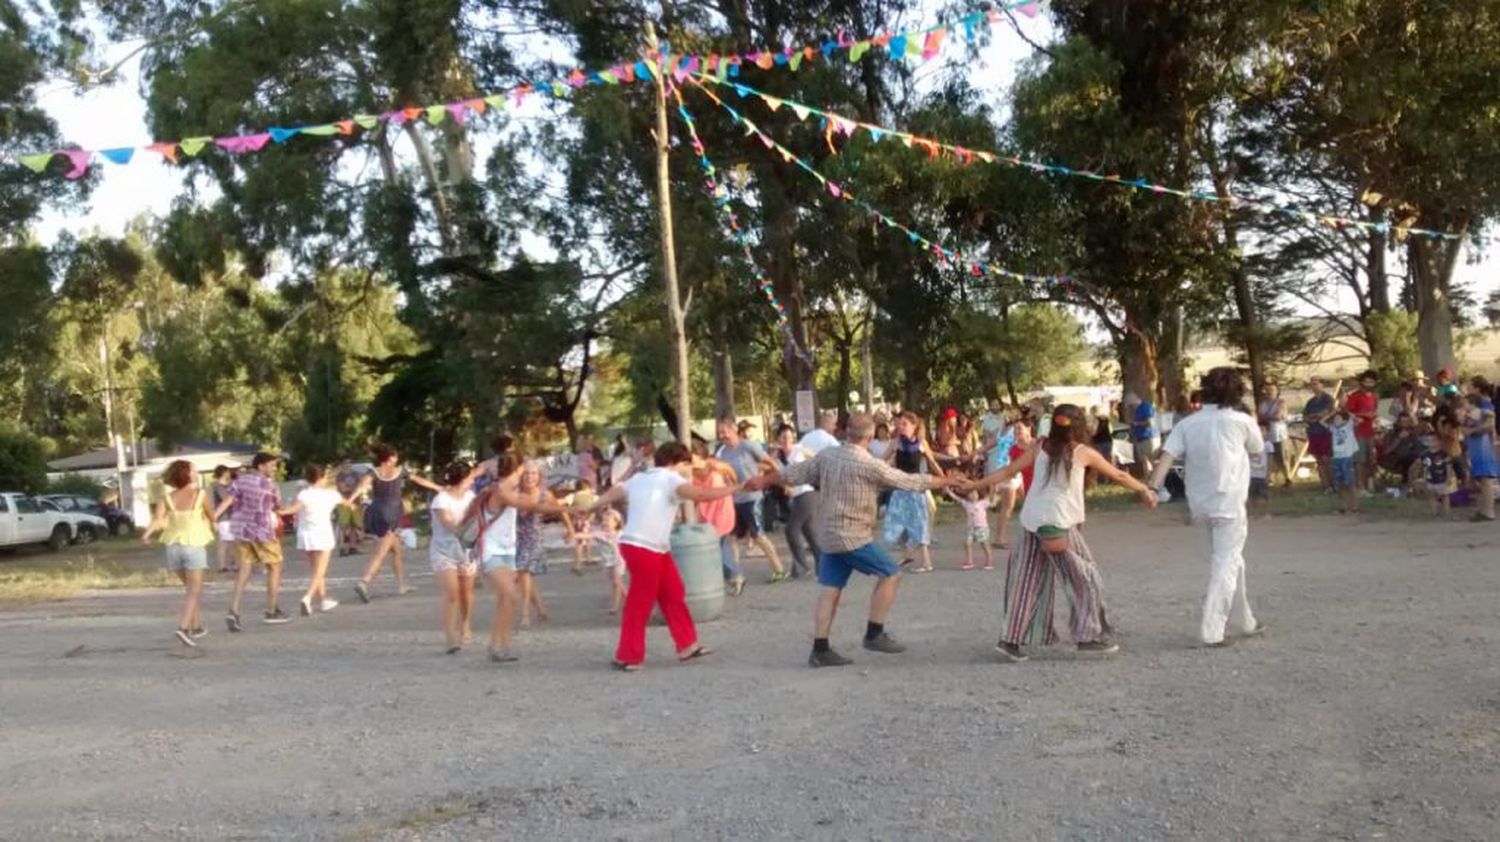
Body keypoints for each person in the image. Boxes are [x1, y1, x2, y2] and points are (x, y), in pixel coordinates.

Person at [747, 413, 956, 668]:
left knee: (830, 592)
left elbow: (792, 474)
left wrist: (762, 480)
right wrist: (946, 480)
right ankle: (874, 633)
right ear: (869, 437)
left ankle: (820, 649)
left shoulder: (827, 456)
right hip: (853, 537)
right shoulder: (869, 464)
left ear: (846, 433)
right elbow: (909, 480)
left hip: (829, 536)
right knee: (891, 573)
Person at [975, 406, 1154, 662]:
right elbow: (1116, 474)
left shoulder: (1038, 448)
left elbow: (1007, 471)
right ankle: (1088, 636)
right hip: (1059, 525)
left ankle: (1009, 640)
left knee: (1025, 582)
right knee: (1084, 579)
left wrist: (975, 483)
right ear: (1080, 426)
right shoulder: (1082, 452)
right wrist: (1144, 489)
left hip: (1032, 521)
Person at [577, 442, 731, 671]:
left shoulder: (641, 478)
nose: (687, 469)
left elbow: (617, 490)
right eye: (685, 464)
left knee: (673, 591)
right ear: (675, 462)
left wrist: (594, 505)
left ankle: (687, 644)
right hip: (645, 546)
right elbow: (700, 494)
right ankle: (628, 655)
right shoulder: (672, 480)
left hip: (650, 546)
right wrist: (733, 490)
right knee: (641, 601)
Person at [1147, 368, 1266, 648]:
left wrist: (1153, 488)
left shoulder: (1188, 424)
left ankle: (1245, 620)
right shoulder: (1240, 420)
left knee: (1232, 558)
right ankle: (1212, 630)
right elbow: (1257, 448)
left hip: (1199, 501)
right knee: (1225, 561)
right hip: (1230, 501)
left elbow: (1167, 456)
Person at [467, 453, 569, 663]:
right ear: (517, 470)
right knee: (512, 595)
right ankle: (497, 646)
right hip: (491, 550)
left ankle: (499, 645)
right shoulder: (502, 491)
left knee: (505, 599)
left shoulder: (505, 489)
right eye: (522, 469)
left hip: (507, 550)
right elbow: (531, 505)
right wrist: (568, 508)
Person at [351, 445, 443, 603]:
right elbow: (418, 480)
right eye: (393, 458)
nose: (396, 460)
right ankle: (364, 582)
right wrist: (437, 487)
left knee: (397, 550)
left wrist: (351, 499)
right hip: (391, 514)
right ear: (387, 460)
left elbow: (362, 486)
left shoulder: (374, 472)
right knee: (381, 552)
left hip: (378, 512)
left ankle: (401, 585)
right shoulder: (396, 471)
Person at [141, 459, 215, 647]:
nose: (196, 472)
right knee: (194, 590)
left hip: (173, 547)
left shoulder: (166, 498)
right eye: (194, 470)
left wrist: (147, 535)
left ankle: (196, 626)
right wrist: (215, 525)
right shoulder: (200, 495)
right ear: (187, 474)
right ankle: (182, 628)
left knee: (190, 590)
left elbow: (158, 520)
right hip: (194, 545)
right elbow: (212, 516)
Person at [213, 452, 288, 631]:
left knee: (244, 569)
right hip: (262, 529)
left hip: (240, 529)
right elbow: (278, 506)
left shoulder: (240, 480)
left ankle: (234, 610)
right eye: (271, 465)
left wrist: (213, 517)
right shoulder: (270, 485)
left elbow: (229, 501)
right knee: (275, 566)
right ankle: (271, 610)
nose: (274, 468)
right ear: (260, 466)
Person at [714, 418, 787, 582]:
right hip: (734, 498)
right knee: (732, 537)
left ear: (733, 430)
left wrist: (781, 479)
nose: (721, 436)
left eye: (724, 432)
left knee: (758, 535)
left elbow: (769, 461)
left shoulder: (748, 446)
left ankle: (779, 569)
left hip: (752, 497)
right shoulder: (723, 452)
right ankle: (736, 572)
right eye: (719, 433)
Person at [278, 464, 348, 618]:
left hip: (306, 534)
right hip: (323, 534)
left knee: (316, 570)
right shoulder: (331, 494)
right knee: (320, 570)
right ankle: (308, 597)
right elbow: (348, 503)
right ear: (322, 478)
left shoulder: (304, 494)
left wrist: (281, 510)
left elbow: (294, 509)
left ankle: (323, 599)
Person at [883, 411, 946, 573]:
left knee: (919, 523)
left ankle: (926, 562)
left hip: (916, 489)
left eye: (904, 424)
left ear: (914, 426)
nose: (900, 426)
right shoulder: (895, 443)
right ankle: (908, 554)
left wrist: (945, 481)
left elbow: (933, 463)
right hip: (900, 489)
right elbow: (881, 462)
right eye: (899, 423)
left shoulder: (921, 443)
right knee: (899, 523)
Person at [427, 462, 478, 653]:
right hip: (444, 550)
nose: (472, 481)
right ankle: (450, 635)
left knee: (466, 592)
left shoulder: (472, 497)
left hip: (466, 550)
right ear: (462, 479)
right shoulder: (441, 500)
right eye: (470, 478)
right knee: (452, 593)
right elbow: (448, 523)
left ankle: (465, 624)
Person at [690, 442, 744, 595]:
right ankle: (732, 575)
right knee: (716, 548)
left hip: (721, 510)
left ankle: (735, 574)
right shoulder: (689, 472)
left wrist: (733, 486)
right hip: (705, 512)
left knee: (717, 547)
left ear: (701, 457)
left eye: (693, 458)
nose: (691, 461)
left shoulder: (714, 466)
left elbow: (731, 472)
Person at [514, 462, 562, 626]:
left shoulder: (545, 494)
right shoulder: (514, 494)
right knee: (523, 577)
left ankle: (525, 613)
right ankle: (541, 608)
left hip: (534, 538)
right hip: (515, 538)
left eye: (534, 473)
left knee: (524, 571)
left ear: (539, 477)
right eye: (526, 473)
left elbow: (559, 510)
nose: (530, 477)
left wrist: (570, 530)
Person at [773, 425, 822, 580]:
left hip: (808, 493)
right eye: (783, 437)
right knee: (810, 532)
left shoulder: (800, 450)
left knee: (791, 530)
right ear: (778, 439)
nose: (787, 440)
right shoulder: (777, 457)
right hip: (796, 497)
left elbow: (817, 460)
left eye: (789, 437)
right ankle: (823, 566)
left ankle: (802, 567)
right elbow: (777, 477)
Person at [1462, 378, 1498, 522]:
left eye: (1470, 386)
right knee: (1482, 478)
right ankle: (1485, 509)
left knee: (1485, 478)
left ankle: (1488, 511)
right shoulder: (1481, 404)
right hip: (1478, 444)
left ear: (1477, 388)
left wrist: (1472, 430)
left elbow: (1490, 423)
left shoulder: (1483, 404)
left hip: (1483, 445)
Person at [984, 416, 1021, 549]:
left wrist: (976, 452)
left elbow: (990, 444)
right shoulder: (1015, 430)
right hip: (1010, 468)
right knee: (1007, 506)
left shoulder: (1002, 430)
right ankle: (999, 537)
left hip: (1003, 467)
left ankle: (999, 535)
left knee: (1014, 502)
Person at [1346, 370, 1381, 493]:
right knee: (1360, 460)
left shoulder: (1374, 397)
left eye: (1371, 382)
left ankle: (1370, 482)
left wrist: (1376, 420)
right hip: (1358, 431)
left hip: (1371, 431)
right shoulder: (1355, 396)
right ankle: (1360, 486)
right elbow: (1348, 412)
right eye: (1367, 381)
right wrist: (1360, 416)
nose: (1369, 384)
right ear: (1362, 382)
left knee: (1371, 459)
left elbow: (1375, 412)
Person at [946, 485, 994, 570]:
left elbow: (990, 497)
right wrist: (949, 492)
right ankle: (969, 561)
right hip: (971, 528)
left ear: (978, 494)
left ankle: (989, 560)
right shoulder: (966, 504)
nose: (973, 495)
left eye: (975, 493)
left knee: (984, 544)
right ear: (967, 495)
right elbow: (957, 498)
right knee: (967, 543)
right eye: (970, 493)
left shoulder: (982, 503)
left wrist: (993, 488)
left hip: (981, 527)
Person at [1302, 377, 1337, 490]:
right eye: (1312, 384)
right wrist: (1314, 417)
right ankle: (1326, 485)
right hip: (1313, 432)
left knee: (1327, 458)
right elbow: (1305, 416)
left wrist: (1314, 416)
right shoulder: (1310, 402)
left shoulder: (1328, 399)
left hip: (1325, 432)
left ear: (1322, 385)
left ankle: (1334, 483)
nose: (1314, 386)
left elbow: (1325, 413)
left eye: (1316, 384)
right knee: (1319, 460)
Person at [1257, 382, 1293, 487]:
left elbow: (1278, 416)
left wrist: (1266, 417)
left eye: (1272, 390)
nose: (1269, 392)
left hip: (1279, 433)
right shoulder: (1262, 404)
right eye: (1267, 390)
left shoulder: (1281, 403)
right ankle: (1270, 478)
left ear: (1277, 391)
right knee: (1269, 456)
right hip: (1267, 433)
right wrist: (1268, 417)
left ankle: (1287, 477)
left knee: (1282, 455)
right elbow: (1259, 417)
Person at [1416, 431, 1457, 519]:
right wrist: (1424, 478)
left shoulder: (1444, 454)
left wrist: (1449, 478)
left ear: (1440, 442)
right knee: (1432, 496)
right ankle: (1434, 513)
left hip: (1443, 478)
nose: (1432, 443)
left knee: (1445, 496)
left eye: (1435, 441)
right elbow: (1425, 467)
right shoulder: (1425, 454)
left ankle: (1446, 513)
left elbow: (1449, 466)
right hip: (1431, 478)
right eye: (1430, 441)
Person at [1329, 410, 1360, 513]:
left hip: (1346, 457)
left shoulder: (1348, 427)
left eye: (1338, 419)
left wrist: (1345, 411)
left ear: (1345, 420)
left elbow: (1356, 419)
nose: (1336, 421)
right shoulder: (1333, 429)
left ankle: (1354, 506)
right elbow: (1321, 422)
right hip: (1337, 458)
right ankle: (1343, 507)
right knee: (1340, 484)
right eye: (1334, 419)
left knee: (1350, 483)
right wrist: (1331, 414)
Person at [210, 465, 237, 573]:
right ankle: (224, 565)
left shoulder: (229, 485)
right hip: (225, 517)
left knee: (229, 541)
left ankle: (228, 564)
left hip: (231, 516)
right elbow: (227, 500)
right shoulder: (219, 486)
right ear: (224, 473)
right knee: (226, 542)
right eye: (228, 471)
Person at [1126, 393, 1159, 479]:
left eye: (1131, 405)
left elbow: (1150, 423)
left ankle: (1158, 479)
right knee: (1144, 461)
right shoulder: (1135, 410)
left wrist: (1136, 424)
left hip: (1149, 437)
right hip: (1139, 438)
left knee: (1153, 459)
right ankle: (1148, 478)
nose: (1131, 407)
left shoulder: (1146, 407)